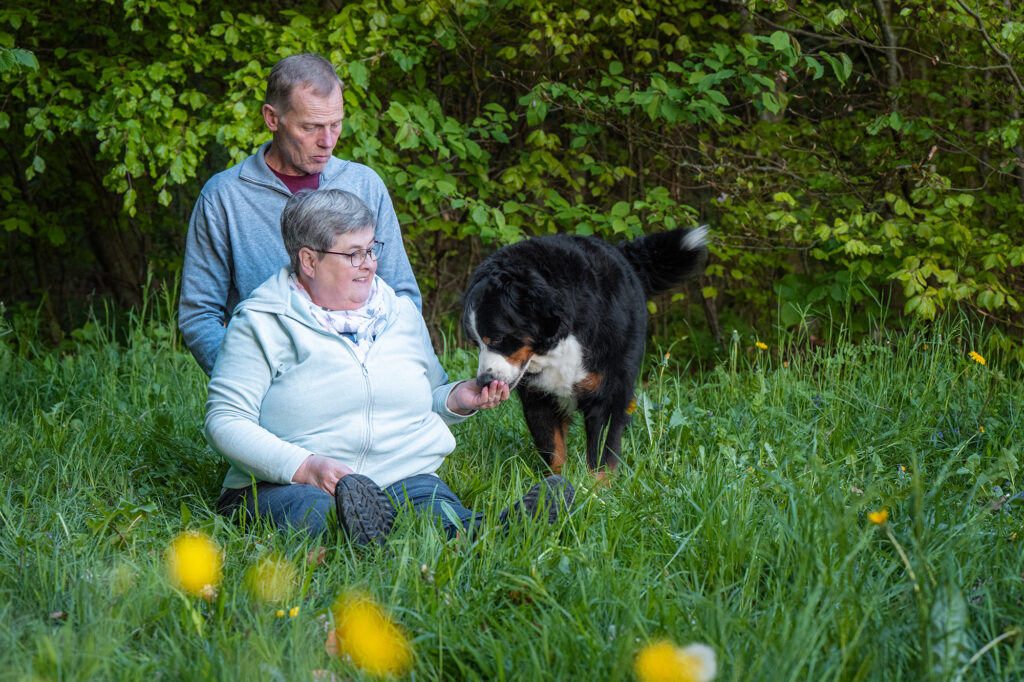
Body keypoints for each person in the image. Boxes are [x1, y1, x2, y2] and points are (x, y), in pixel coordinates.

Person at [205, 189, 574, 543]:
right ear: (309, 260)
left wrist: (456, 400)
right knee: (318, 514)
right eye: (353, 254)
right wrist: (304, 466)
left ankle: (486, 534)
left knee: (436, 509)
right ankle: (360, 537)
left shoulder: (399, 314)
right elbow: (225, 420)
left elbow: (426, 399)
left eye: (370, 249)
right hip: (290, 483)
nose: (369, 263)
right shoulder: (262, 322)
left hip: (402, 475)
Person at [179, 53, 421, 375]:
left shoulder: (364, 185)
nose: (327, 141)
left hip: (367, 379)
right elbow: (199, 314)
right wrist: (246, 379)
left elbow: (403, 297)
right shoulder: (224, 197)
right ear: (272, 118)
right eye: (310, 127)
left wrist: (381, 373)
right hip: (269, 386)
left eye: (335, 124)